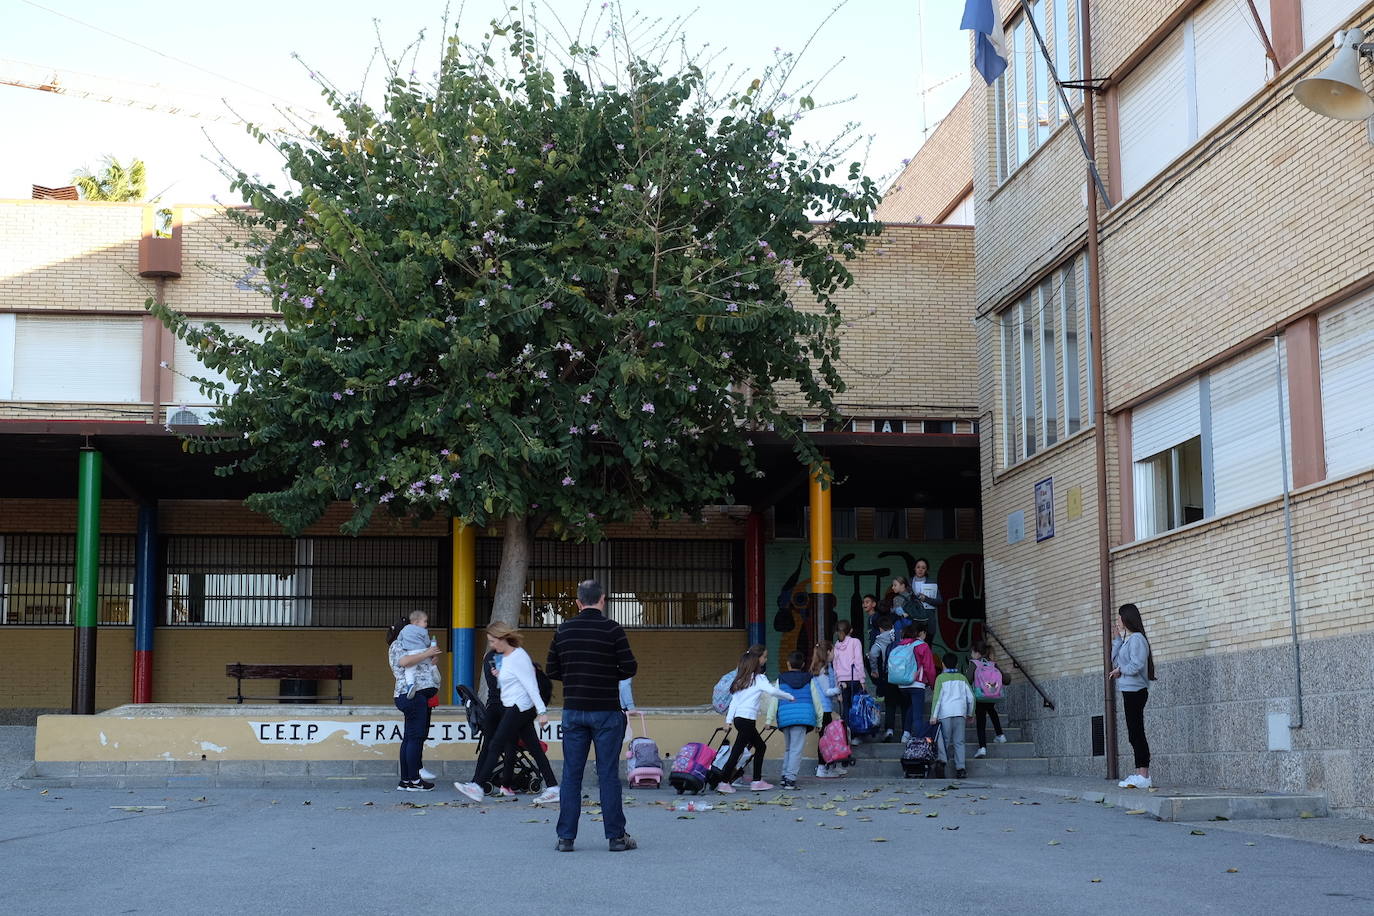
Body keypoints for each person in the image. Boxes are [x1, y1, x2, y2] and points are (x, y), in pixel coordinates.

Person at [546, 580, 639, 852]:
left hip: (573, 710)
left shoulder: (564, 629)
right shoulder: (613, 629)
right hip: (606, 712)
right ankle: (616, 837)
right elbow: (630, 667)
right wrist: (609, 675)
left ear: (578, 602)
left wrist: (576, 676)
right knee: (608, 774)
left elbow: (552, 669)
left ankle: (566, 838)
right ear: (603, 600)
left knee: (571, 775)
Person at [454, 624, 561, 805]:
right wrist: (500, 674)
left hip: (520, 707)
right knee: (534, 748)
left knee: (496, 743)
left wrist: (542, 711)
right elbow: (512, 680)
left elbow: (530, 685)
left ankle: (477, 786)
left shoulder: (519, 656)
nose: (492, 645)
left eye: (493, 641)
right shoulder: (506, 658)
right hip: (513, 706)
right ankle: (553, 787)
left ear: (503, 638)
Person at [715, 645, 793, 793]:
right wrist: (789, 697)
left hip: (739, 720)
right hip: (747, 720)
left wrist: (728, 721)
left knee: (750, 748)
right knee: (745, 749)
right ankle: (732, 782)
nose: (766, 659)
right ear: (756, 661)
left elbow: (734, 703)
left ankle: (738, 781)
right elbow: (772, 691)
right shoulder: (759, 679)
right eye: (764, 657)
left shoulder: (741, 679)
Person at [387, 613, 442, 791]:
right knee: (415, 738)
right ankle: (414, 780)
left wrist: (431, 658)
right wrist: (427, 653)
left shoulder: (409, 644)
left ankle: (406, 780)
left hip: (414, 695)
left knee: (410, 738)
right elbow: (405, 661)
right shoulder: (399, 645)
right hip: (411, 695)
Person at [1110, 603, 1156, 789]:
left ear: (1127, 618)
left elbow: (1136, 665)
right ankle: (1139, 773)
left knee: (1137, 732)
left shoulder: (1137, 639)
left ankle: (1143, 775)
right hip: (1129, 690)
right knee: (1133, 733)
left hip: (1136, 691)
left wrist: (1120, 671)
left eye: (1119, 617)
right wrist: (1117, 641)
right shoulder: (1130, 640)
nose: (1118, 621)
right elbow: (1115, 660)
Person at [769, 650, 823, 789]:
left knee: (788, 749)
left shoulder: (781, 679)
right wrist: (819, 721)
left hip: (785, 718)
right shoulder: (809, 679)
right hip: (802, 718)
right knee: (796, 750)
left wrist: (769, 720)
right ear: (803, 664)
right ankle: (790, 779)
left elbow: (774, 701)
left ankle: (784, 776)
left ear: (788, 664)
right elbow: (817, 701)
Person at [929, 651, 974, 779]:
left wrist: (933, 715)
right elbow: (971, 697)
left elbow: (937, 698)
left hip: (945, 714)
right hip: (960, 713)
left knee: (944, 740)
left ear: (942, 664)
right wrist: (970, 713)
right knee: (959, 741)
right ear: (957, 663)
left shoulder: (940, 678)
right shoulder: (962, 678)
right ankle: (961, 769)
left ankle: (941, 763)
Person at [892, 623, 936, 741]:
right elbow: (929, 667)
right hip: (917, 683)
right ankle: (917, 740)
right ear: (920, 633)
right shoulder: (923, 646)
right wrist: (933, 684)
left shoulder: (899, 645)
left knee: (910, 707)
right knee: (917, 715)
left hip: (901, 684)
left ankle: (905, 734)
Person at [809, 640, 845, 778]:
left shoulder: (826, 667)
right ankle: (822, 767)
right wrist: (839, 689)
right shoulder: (823, 670)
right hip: (823, 709)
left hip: (825, 708)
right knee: (825, 739)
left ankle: (829, 766)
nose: (835, 653)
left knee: (827, 738)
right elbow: (826, 691)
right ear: (828, 652)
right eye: (834, 650)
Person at [969, 641, 1007, 758]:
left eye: (972, 652)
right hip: (992, 694)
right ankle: (1000, 735)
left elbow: (968, 679)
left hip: (980, 696)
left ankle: (982, 748)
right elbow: (1004, 679)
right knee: (992, 711)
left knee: (981, 721)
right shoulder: (992, 664)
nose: (971, 654)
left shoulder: (974, 663)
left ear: (976, 653)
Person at [868, 613, 901, 742]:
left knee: (890, 703)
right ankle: (906, 732)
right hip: (904, 675)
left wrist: (874, 670)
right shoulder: (899, 636)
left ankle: (889, 729)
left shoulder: (880, 639)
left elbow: (872, 654)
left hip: (889, 675)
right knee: (904, 703)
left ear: (880, 628)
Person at [832, 620, 865, 745]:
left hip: (842, 681)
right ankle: (856, 735)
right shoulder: (855, 642)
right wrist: (862, 680)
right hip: (855, 679)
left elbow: (835, 667)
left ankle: (846, 736)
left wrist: (836, 684)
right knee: (856, 708)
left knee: (846, 708)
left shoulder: (836, 645)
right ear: (850, 630)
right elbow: (858, 662)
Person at [394, 612, 434, 699]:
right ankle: (435, 673)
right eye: (425, 622)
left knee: (409, 670)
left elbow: (399, 638)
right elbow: (427, 642)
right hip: (423, 650)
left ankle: (410, 684)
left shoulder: (404, 629)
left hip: (411, 652)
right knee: (430, 663)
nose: (426, 624)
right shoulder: (424, 631)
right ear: (416, 622)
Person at [909, 558, 943, 623]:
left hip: (928, 618)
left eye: (923, 568)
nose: (920, 570)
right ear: (914, 568)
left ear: (926, 570)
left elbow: (939, 601)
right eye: (918, 567)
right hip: (912, 618)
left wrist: (926, 599)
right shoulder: (908, 582)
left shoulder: (932, 582)